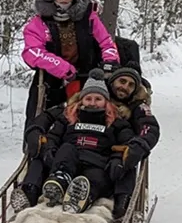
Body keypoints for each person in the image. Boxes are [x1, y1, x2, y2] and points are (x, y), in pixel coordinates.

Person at [21, 0, 119, 123]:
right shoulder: (39, 22)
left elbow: (106, 42)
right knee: (38, 117)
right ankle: (34, 145)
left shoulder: (89, 18)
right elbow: (32, 52)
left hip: (88, 75)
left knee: (93, 113)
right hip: (50, 79)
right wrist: (62, 67)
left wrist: (110, 62)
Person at [39, 70, 133, 214]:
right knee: (66, 148)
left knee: (95, 178)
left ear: (106, 101)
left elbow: (126, 144)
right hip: (70, 162)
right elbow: (53, 137)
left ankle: (81, 198)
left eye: (98, 99)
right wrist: (49, 149)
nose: (93, 103)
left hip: (98, 165)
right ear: (81, 100)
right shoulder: (68, 117)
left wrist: (116, 161)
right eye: (88, 98)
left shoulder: (117, 122)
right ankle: (59, 183)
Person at [105, 66, 161, 219]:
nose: (125, 87)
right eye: (122, 81)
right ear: (112, 81)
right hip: (93, 144)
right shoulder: (96, 95)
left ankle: (122, 205)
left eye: (131, 85)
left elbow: (149, 127)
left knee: (126, 161)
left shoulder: (139, 105)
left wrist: (138, 145)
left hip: (120, 150)